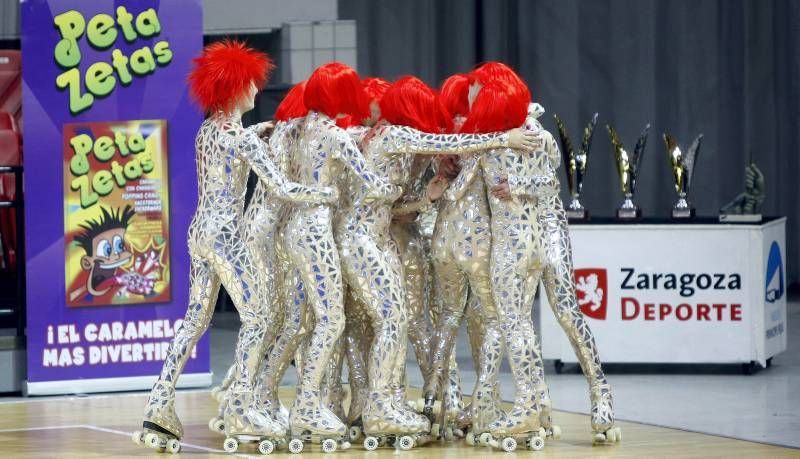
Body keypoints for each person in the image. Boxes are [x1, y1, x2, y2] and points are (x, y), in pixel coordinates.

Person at [134, 41, 337, 454]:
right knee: (260, 316)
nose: (256, 92)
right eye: (251, 84)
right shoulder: (241, 141)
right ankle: (243, 402)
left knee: (194, 320)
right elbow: (279, 188)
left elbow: (227, 158)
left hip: (199, 232)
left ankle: (160, 399)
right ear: (235, 88)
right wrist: (324, 194)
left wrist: (256, 133)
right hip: (227, 237)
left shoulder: (207, 132)